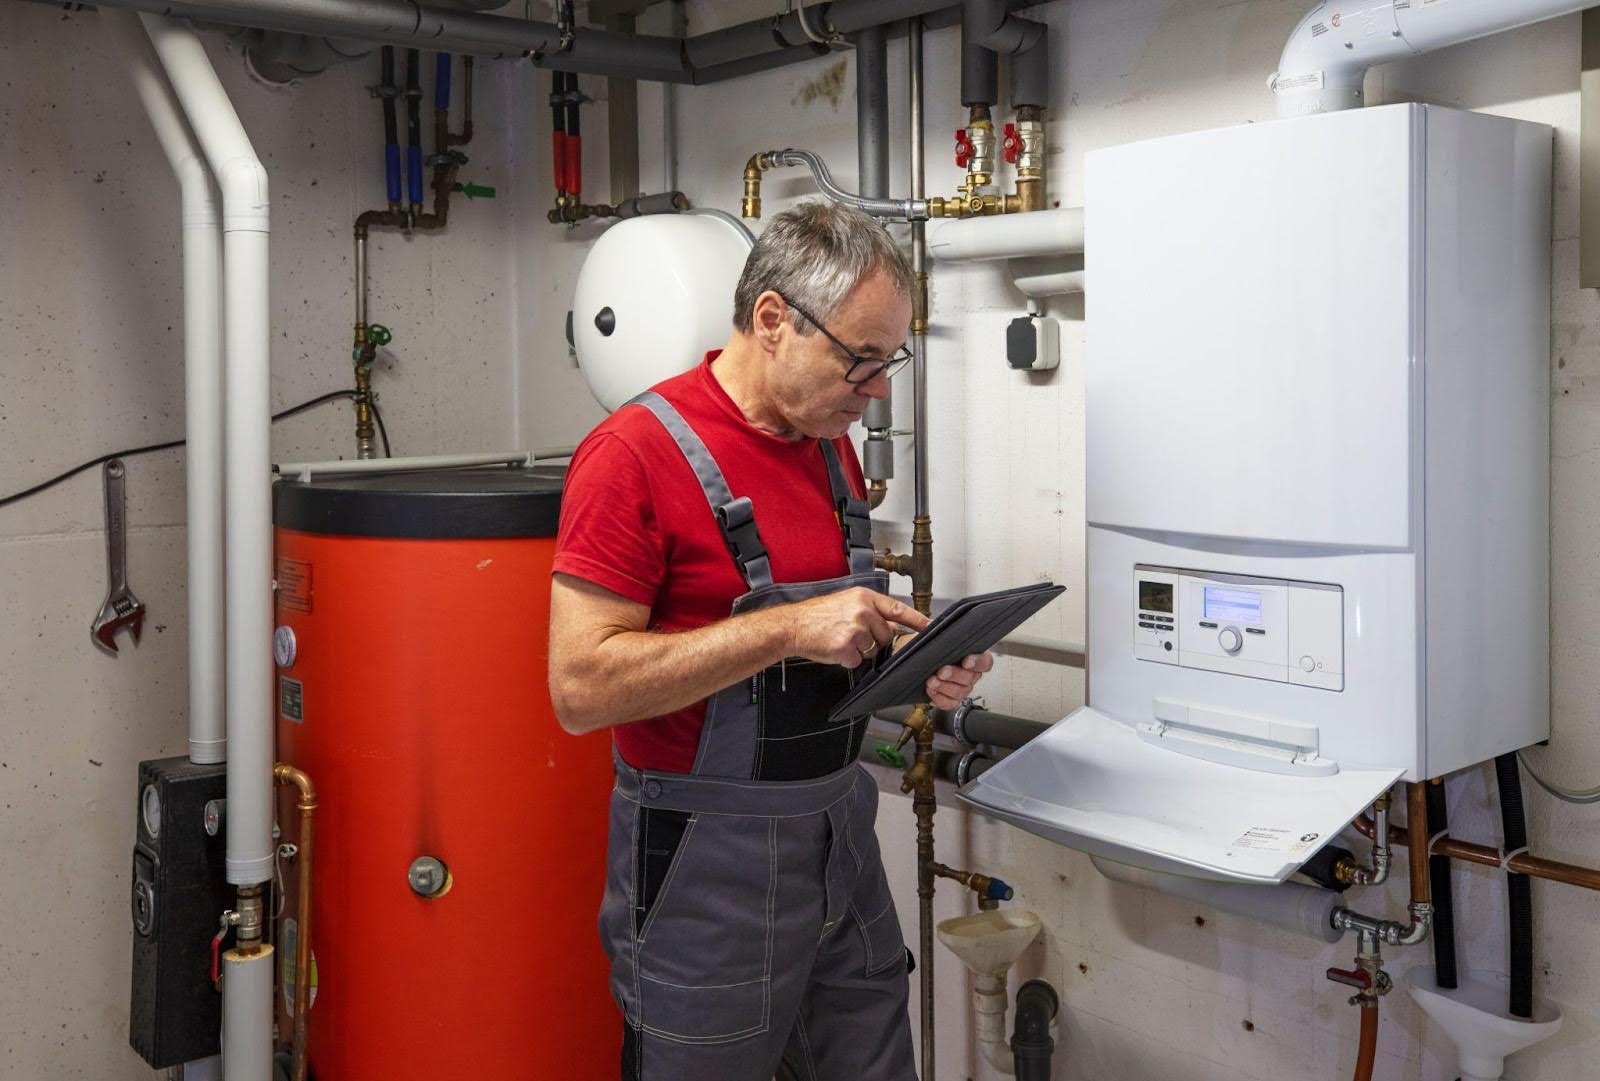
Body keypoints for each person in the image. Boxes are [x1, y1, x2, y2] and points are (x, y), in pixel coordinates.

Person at [548, 200, 993, 1081]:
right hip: (704, 875)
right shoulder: (632, 454)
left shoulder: (831, 449)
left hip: (841, 843)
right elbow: (580, 686)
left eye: (888, 362)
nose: (878, 394)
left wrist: (915, 666)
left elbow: (822, 661)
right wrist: (788, 627)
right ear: (772, 320)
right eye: (860, 362)